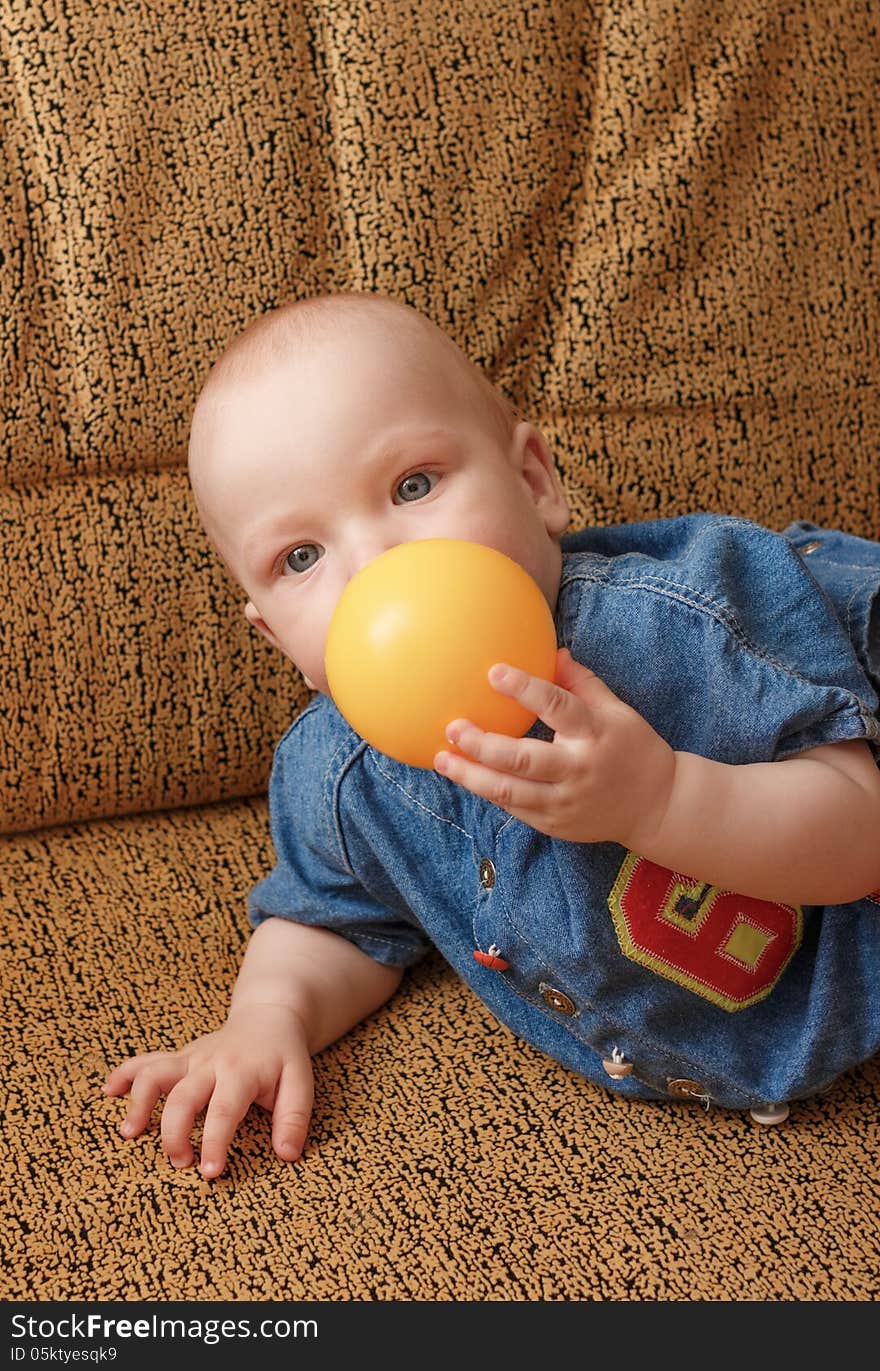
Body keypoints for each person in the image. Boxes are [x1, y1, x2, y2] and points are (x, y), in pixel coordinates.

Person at [103, 292, 880, 1179]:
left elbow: (861, 825)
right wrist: (268, 1015)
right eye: (302, 557)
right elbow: (334, 921)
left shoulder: (683, 627)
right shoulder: (342, 776)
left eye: (413, 485)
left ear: (535, 482)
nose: (377, 565)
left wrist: (663, 799)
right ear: (282, 641)